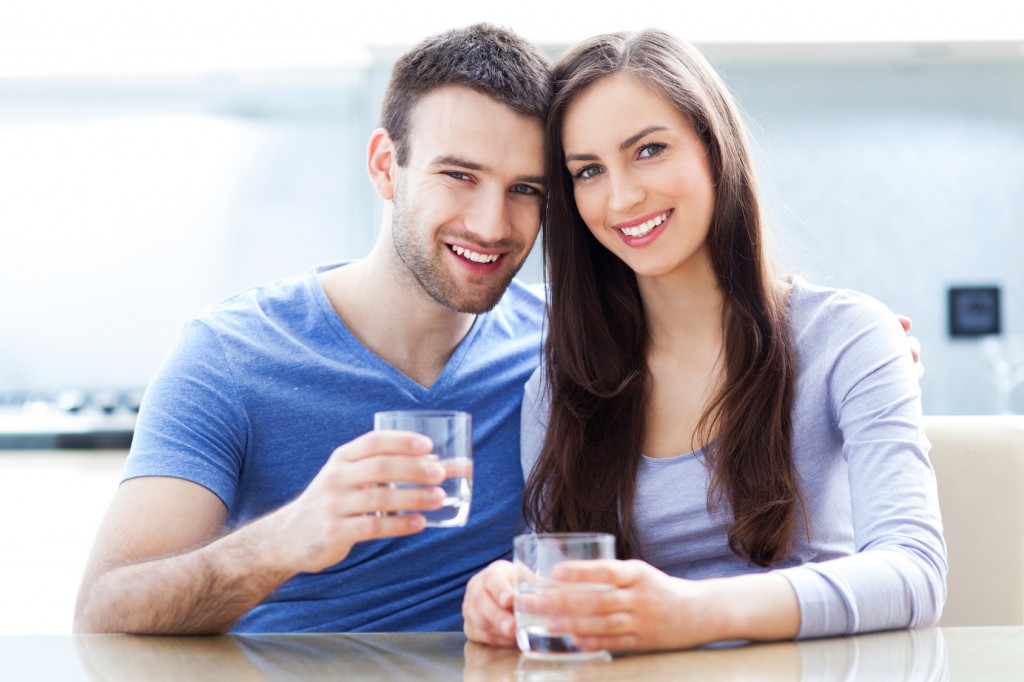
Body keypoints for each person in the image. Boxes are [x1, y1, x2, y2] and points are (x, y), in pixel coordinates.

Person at [462, 30, 945, 652]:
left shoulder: (848, 337)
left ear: (714, 148)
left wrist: (692, 611)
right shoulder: (561, 386)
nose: (623, 196)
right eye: (588, 171)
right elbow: (559, 588)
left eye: (650, 149)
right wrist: (505, 596)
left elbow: (915, 573)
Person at [73, 23, 552, 634]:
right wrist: (282, 541)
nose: (492, 224)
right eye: (459, 175)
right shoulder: (230, 356)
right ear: (386, 166)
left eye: (524, 189)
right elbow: (102, 613)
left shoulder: (558, 341)